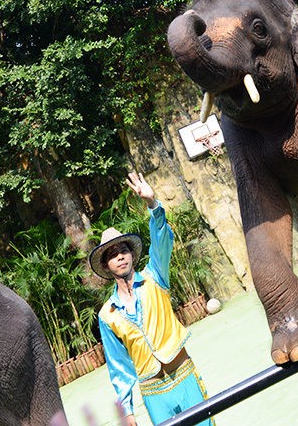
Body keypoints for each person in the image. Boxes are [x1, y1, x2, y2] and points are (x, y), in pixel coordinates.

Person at [89, 171, 214, 426]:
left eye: (123, 250)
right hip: (153, 393)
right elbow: (118, 367)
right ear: (106, 264)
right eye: (112, 254)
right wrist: (127, 411)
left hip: (184, 375)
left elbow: (161, 241)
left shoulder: (154, 277)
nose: (120, 256)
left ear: (132, 255)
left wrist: (152, 205)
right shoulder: (107, 315)